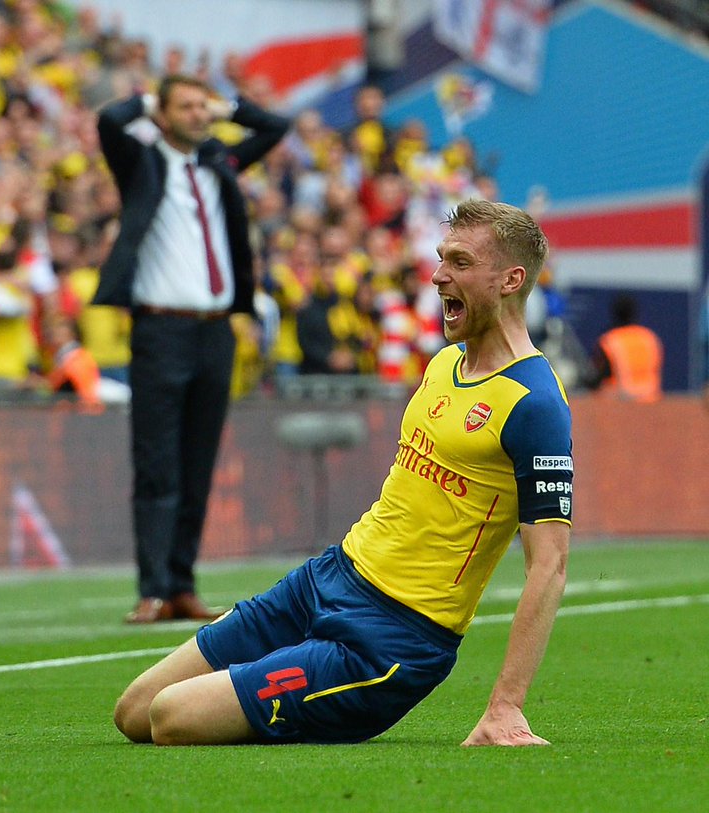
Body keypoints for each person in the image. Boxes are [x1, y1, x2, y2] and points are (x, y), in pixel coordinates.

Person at [114, 200, 572, 747]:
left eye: (461, 262)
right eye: (441, 258)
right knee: (134, 711)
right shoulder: (444, 363)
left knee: (170, 716)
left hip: (392, 638)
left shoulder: (535, 402)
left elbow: (549, 565)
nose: (437, 275)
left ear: (511, 280)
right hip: (328, 578)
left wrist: (505, 707)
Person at [93, 74, 290, 624]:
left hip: (215, 331)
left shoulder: (218, 161)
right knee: (157, 462)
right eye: (186, 106)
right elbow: (109, 121)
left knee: (199, 461)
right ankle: (153, 587)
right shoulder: (142, 161)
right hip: (161, 329)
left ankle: (182, 583)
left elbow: (276, 127)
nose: (199, 115)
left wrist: (227, 107)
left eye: (203, 106)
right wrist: (149, 100)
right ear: (161, 113)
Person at [585, 294, 663, 402]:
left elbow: (598, 378)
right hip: (651, 399)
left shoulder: (610, 340)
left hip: (621, 401)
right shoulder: (649, 338)